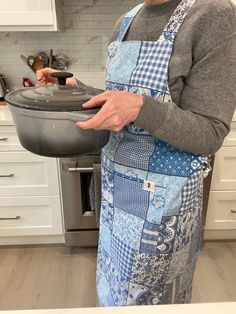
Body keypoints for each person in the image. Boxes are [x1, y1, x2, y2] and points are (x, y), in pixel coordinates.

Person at [37, 0, 236, 307]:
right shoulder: (126, 21)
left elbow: (210, 133)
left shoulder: (212, 15)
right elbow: (121, 104)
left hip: (160, 211)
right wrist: (76, 88)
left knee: (150, 303)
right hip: (116, 197)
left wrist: (142, 107)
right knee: (114, 290)